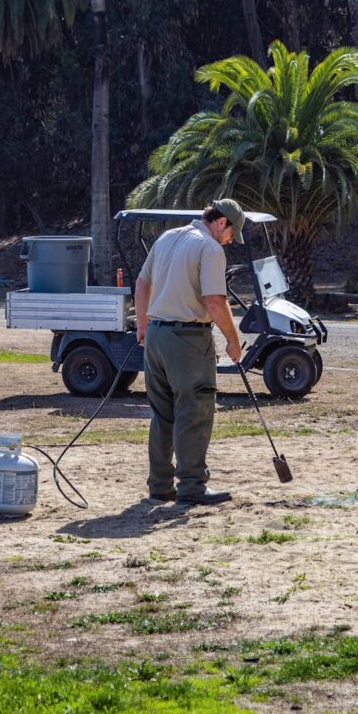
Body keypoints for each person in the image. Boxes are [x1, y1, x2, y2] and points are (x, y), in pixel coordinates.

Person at [134, 199, 246, 505]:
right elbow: (214, 301)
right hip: (188, 339)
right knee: (194, 411)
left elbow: (142, 283)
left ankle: (159, 485)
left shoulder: (167, 237)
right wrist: (233, 341)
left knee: (162, 413)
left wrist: (142, 325)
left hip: (156, 336)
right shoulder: (209, 249)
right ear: (221, 222)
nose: (231, 240)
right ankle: (192, 486)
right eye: (232, 233)